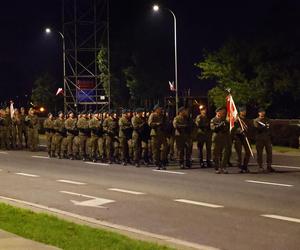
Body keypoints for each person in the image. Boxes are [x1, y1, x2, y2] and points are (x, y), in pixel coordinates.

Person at [253, 108, 274, 172]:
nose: (262, 113)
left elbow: (270, 128)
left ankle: (269, 166)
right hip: (259, 138)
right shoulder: (256, 120)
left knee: (269, 152)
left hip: (267, 138)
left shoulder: (267, 120)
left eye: (263, 111)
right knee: (259, 153)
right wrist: (264, 126)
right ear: (258, 113)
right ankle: (260, 166)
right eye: (261, 112)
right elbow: (257, 129)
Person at [210, 107, 230, 174]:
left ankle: (223, 167)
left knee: (225, 153)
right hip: (216, 139)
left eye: (224, 112)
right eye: (222, 112)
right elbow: (214, 128)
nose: (223, 113)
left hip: (224, 138)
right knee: (216, 154)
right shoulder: (213, 120)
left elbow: (227, 129)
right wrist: (221, 124)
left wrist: (227, 122)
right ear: (218, 112)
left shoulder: (225, 120)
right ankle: (217, 167)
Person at [148, 105, 168, 170]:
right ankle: (157, 163)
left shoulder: (163, 115)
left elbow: (165, 123)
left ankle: (163, 162)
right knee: (156, 150)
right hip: (155, 134)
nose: (161, 110)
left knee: (165, 148)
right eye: (159, 109)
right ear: (156, 109)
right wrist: (157, 124)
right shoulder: (153, 115)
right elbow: (150, 123)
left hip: (162, 134)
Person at [232, 107, 251, 173]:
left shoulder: (246, 120)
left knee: (248, 151)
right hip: (238, 137)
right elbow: (234, 128)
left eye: (245, 111)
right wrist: (239, 130)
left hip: (245, 137)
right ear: (240, 112)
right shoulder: (236, 119)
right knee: (239, 153)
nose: (244, 112)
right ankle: (239, 166)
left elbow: (248, 128)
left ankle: (245, 166)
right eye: (242, 111)